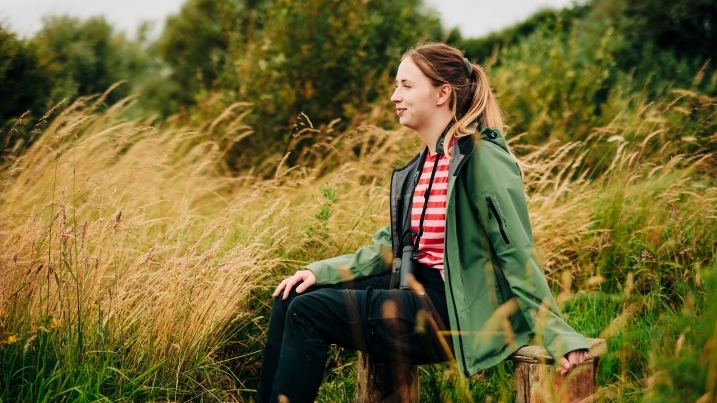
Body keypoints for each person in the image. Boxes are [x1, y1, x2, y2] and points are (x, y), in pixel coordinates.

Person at [254, 42, 589, 403]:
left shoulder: (481, 159)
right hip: (415, 288)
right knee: (293, 297)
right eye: (396, 85)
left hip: (454, 309)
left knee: (309, 313)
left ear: (442, 93)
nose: (395, 95)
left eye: (406, 85)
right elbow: (391, 247)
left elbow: (516, 252)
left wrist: (556, 332)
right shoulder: (423, 165)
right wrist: (320, 272)